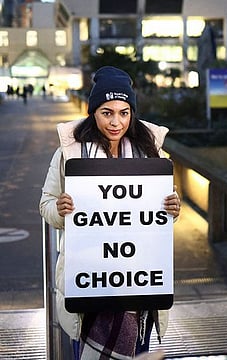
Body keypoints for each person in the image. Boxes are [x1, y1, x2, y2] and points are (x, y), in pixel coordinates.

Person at [39, 66, 181, 359]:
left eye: (124, 112)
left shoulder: (151, 153)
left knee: (135, 350)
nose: (116, 122)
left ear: (132, 113)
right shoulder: (70, 154)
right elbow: (46, 204)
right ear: (93, 112)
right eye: (107, 112)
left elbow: (163, 209)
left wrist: (173, 208)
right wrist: (59, 209)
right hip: (89, 276)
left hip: (137, 279)